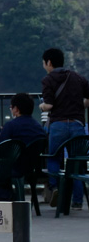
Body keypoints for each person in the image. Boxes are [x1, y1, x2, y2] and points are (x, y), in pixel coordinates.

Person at [41, 47, 89, 208]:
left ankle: (55, 188)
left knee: (54, 157)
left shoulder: (48, 80)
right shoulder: (78, 78)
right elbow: (87, 101)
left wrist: (41, 106)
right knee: (76, 162)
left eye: (44, 63)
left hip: (58, 125)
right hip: (77, 125)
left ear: (49, 62)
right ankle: (77, 201)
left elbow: (49, 105)